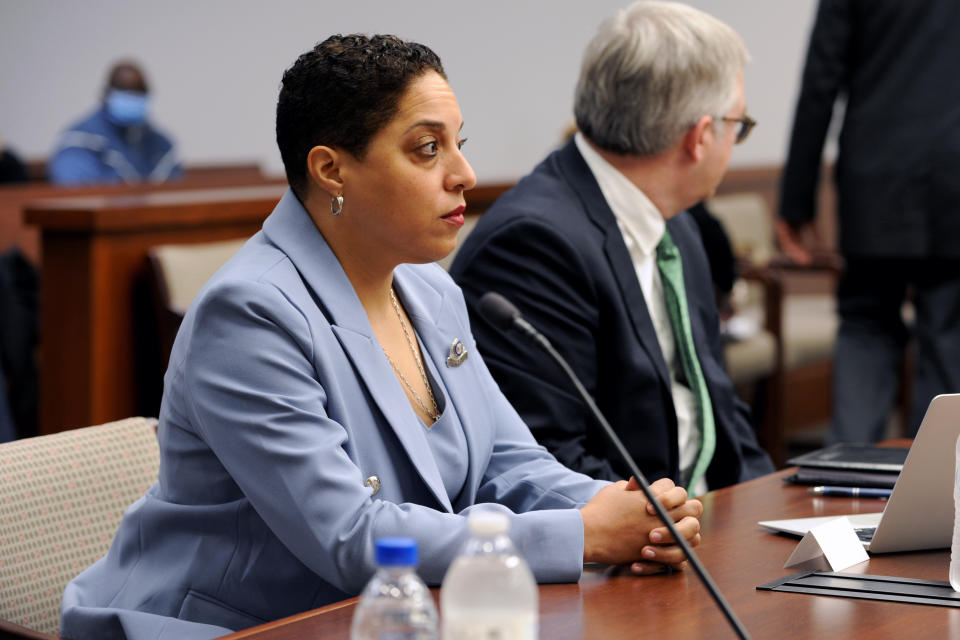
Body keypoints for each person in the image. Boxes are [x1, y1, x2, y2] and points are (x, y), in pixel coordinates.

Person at [60, 34, 703, 640]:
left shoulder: (431, 291)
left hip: (380, 615)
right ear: (331, 170)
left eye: (459, 143)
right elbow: (351, 537)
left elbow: (509, 463)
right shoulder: (250, 313)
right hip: (232, 626)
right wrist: (581, 536)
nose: (464, 173)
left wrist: (629, 511)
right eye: (428, 149)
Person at [451, 1, 774, 494]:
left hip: (713, 515)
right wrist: (678, 528)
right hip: (635, 546)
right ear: (701, 137)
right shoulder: (533, 244)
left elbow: (719, 407)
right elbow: (546, 461)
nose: (737, 140)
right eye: (739, 125)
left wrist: (767, 508)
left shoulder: (676, 223)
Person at [777, 0, 960, 443]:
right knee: (947, 334)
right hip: (955, 175)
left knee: (864, 325)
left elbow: (821, 80)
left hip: (875, 177)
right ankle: (935, 495)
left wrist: (795, 202)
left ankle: (844, 484)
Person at [48, 61, 183, 185]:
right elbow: (76, 192)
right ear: (106, 94)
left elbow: (173, 191)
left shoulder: (160, 145)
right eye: (125, 91)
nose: (132, 99)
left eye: (138, 93)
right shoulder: (80, 141)